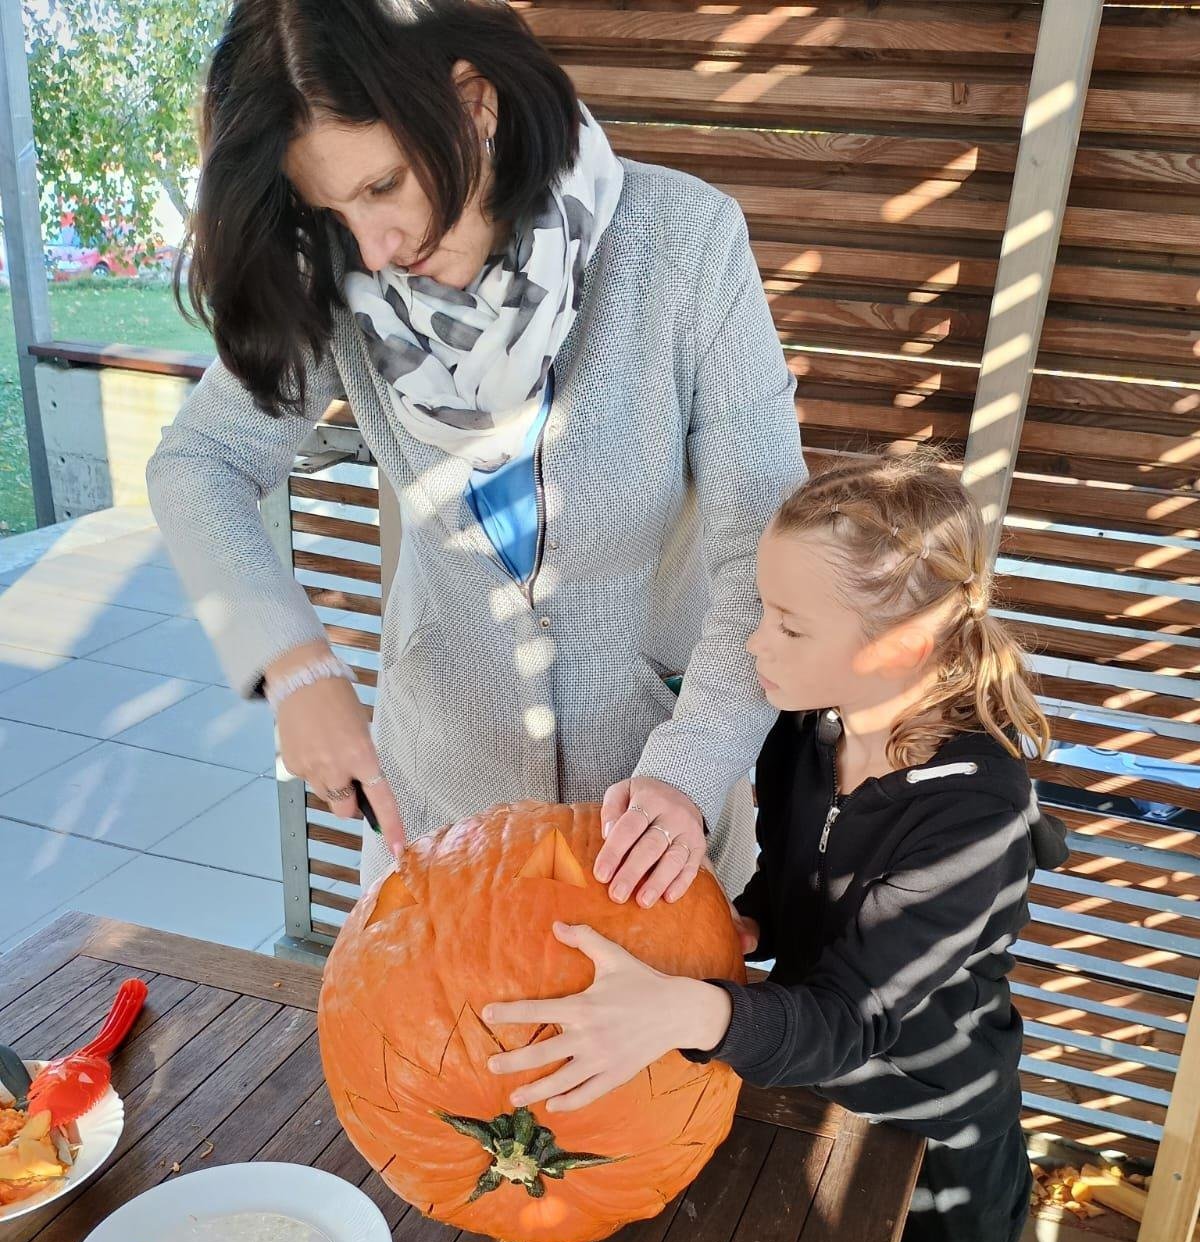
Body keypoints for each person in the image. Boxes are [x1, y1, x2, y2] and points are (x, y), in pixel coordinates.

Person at [484, 450, 1069, 1242]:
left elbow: (853, 1020)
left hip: (935, 1149)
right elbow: (791, 900)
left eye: (788, 626)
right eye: (759, 608)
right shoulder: (812, 729)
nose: (753, 646)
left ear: (904, 641)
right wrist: (719, 932)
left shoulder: (978, 811)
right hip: (818, 1114)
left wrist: (682, 1010)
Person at [145, 0, 804, 906]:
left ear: (473, 103)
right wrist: (291, 663)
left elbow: (762, 555)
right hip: (440, 822)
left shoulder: (684, 243)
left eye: (383, 186)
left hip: (653, 831)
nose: (374, 247)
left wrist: (688, 772)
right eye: (331, 207)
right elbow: (198, 462)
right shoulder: (337, 275)